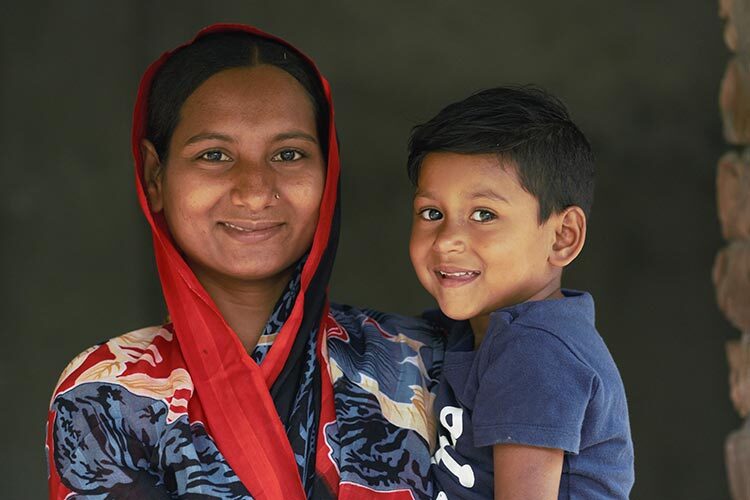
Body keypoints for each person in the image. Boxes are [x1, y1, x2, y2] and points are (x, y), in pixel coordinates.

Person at [46, 24, 442, 499]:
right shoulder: (108, 392)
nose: (255, 192)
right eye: (214, 155)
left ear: (329, 170)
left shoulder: (420, 361)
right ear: (155, 176)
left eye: (289, 154)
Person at [407, 87, 634, 499]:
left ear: (563, 236)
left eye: (484, 215)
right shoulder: (474, 331)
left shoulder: (534, 351)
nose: (446, 240)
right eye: (432, 213)